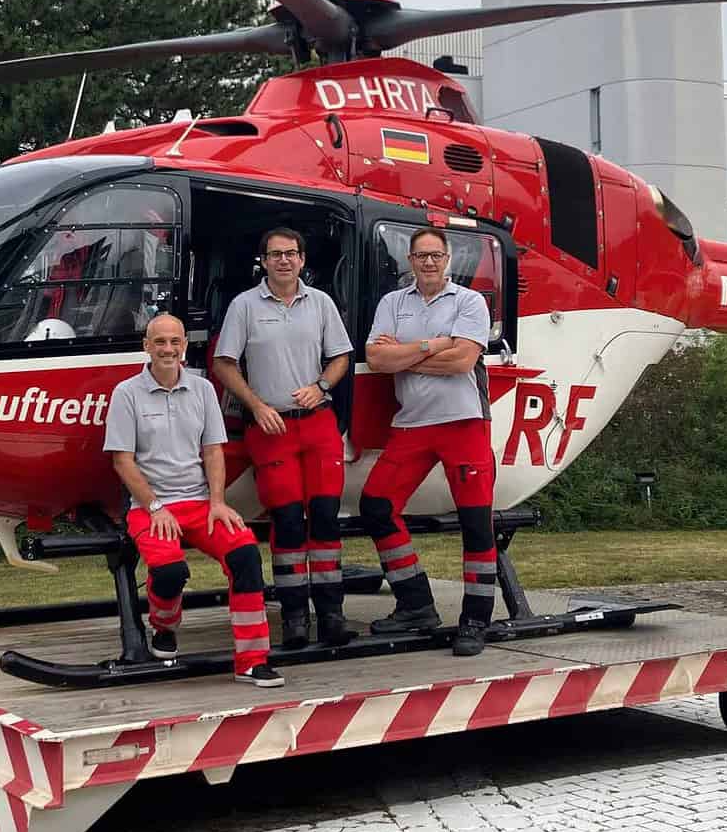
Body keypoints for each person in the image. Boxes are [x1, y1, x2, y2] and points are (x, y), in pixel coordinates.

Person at [104, 313, 283, 687]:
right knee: (170, 572)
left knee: (246, 556)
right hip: (149, 507)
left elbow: (213, 451)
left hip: (200, 504)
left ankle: (252, 661)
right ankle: (164, 626)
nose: (168, 349)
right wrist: (155, 506)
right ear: (147, 346)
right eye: (160, 342)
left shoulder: (202, 390)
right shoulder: (126, 393)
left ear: (184, 346)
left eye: (175, 341)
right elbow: (122, 461)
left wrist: (218, 501)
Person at [210, 227, 355, 650]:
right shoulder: (245, 305)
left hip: (318, 422)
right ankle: (294, 618)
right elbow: (224, 363)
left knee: (325, 517)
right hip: (271, 428)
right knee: (288, 522)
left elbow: (341, 356)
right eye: (275, 254)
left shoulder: (321, 303)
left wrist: (321, 386)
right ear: (264, 261)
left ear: (302, 259)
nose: (284, 261)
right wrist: (256, 406)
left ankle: (331, 615)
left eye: (291, 253)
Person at [360, 227, 498, 657]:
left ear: (448, 259)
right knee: (376, 506)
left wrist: (404, 355)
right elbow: (376, 358)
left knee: (476, 522)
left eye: (436, 255)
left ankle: (475, 620)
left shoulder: (469, 301)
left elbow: (463, 361)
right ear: (411, 261)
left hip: (464, 422)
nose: (429, 262)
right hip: (412, 423)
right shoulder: (392, 303)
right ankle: (415, 603)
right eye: (421, 256)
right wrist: (434, 344)